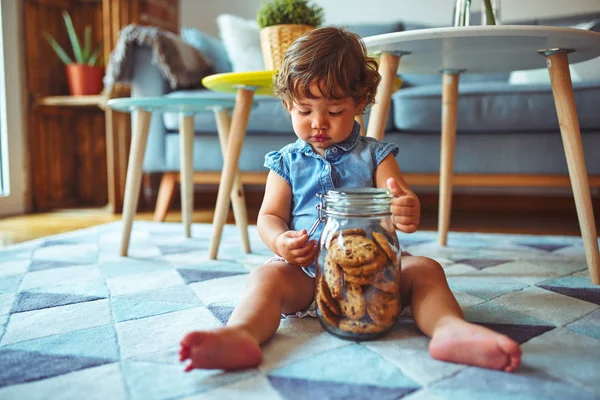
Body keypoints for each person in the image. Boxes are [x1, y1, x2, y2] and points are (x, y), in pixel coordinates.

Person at [180, 26, 522, 373]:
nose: (318, 123)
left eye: (334, 111)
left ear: (359, 102)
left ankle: (450, 329)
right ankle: (241, 334)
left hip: (377, 278)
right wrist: (281, 242)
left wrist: (406, 209)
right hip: (305, 276)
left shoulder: (376, 155)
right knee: (265, 279)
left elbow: (401, 203)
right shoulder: (286, 162)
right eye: (304, 110)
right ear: (288, 104)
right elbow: (269, 216)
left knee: (427, 270)